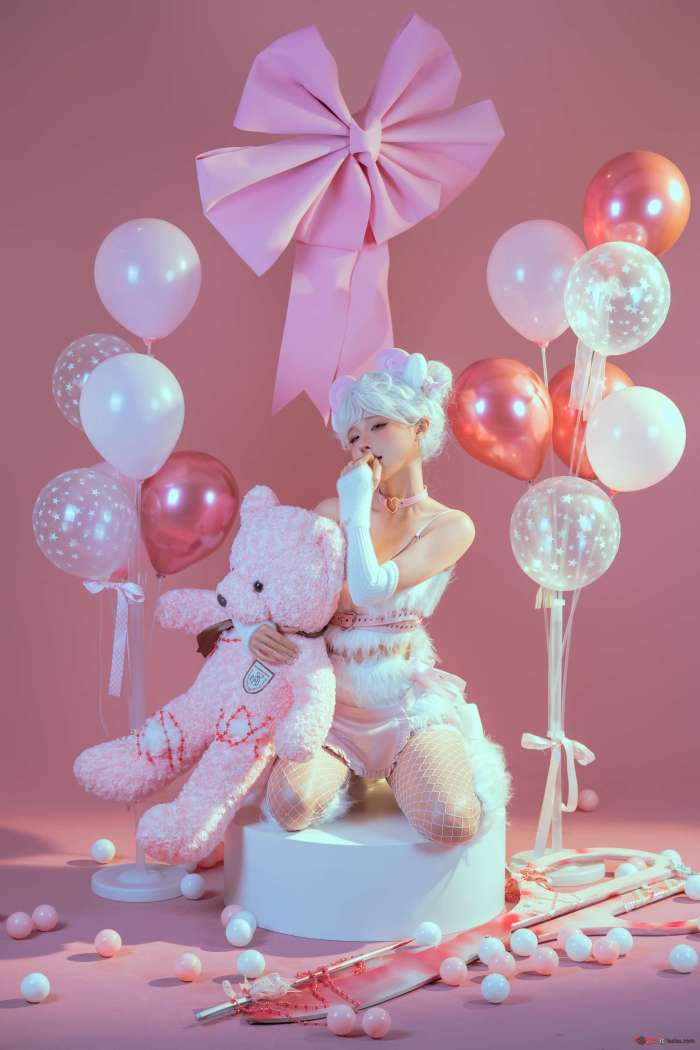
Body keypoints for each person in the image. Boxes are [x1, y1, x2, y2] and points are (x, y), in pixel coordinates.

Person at [239, 348, 511, 844]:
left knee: (451, 821)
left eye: (378, 425)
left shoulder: (451, 525)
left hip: (403, 703)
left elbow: (369, 587)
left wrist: (357, 503)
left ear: (420, 427)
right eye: (352, 436)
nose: (363, 442)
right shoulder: (328, 512)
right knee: (288, 807)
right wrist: (251, 630)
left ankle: (415, 765)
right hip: (331, 704)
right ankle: (350, 775)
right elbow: (272, 591)